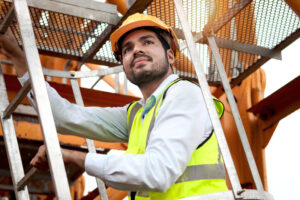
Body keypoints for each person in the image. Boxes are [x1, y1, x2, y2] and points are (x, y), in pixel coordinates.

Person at [0, 13, 228, 200]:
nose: (136, 50)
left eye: (147, 42)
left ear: (170, 55)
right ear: (124, 65)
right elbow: (64, 117)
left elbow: (157, 173)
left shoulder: (184, 94)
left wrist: (73, 157)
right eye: (127, 49)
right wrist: (17, 56)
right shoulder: (139, 113)